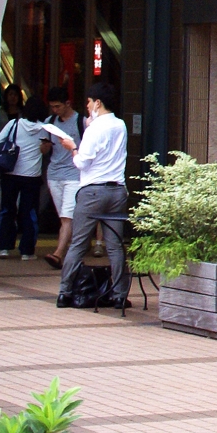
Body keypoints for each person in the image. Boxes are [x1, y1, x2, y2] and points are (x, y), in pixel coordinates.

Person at [51, 81, 129, 308]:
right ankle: (119, 295)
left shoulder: (94, 129)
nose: (86, 106)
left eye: (88, 101)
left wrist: (72, 147)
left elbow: (81, 162)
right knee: (115, 246)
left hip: (92, 191)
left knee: (78, 243)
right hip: (117, 190)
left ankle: (65, 292)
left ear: (97, 103)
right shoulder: (120, 125)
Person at [0, 86, 45, 260]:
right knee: (29, 212)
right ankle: (27, 251)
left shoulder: (14, 124)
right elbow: (47, 149)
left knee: (7, 210)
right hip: (32, 176)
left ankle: (3, 247)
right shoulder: (45, 129)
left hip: (10, 174)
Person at [41, 86, 83, 270]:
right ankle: (76, 248)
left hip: (74, 174)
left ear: (68, 103)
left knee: (67, 216)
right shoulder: (50, 122)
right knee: (64, 217)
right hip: (54, 174)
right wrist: (46, 146)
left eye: (58, 106)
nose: (55, 110)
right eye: (52, 107)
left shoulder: (81, 122)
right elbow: (43, 149)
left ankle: (58, 254)